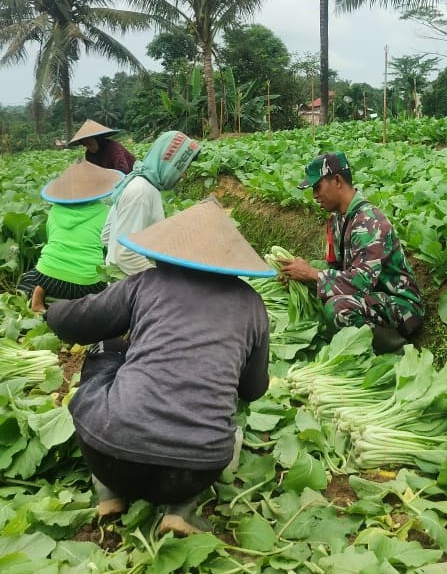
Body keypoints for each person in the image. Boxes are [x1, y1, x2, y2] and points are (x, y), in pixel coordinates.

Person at [44, 198, 274, 535]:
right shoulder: (252, 304)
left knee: (105, 349)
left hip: (111, 458)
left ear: (172, 249)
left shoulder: (147, 283)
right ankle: (180, 511)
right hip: (195, 470)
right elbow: (253, 390)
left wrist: (53, 311)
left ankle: (108, 494)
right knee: (219, 419)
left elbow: (79, 322)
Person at [277, 152, 425, 354]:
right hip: (372, 298)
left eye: (317, 187)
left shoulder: (370, 222)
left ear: (337, 180)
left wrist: (312, 274)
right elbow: (336, 268)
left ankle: (397, 351)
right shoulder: (339, 219)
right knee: (319, 285)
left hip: (400, 305)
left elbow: (361, 281)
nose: (314, 195)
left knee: (338, 308)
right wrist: (299, 273)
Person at [17, 161, 123, 312]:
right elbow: (108, 244)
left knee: (28, 278)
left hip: (47, 277)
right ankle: (80, 305)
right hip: (88, 283)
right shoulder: (105, 212)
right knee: (107, 289)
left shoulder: (54, 211)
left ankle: (40, 295)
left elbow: (51, 238)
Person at [102, 130, 200, 276]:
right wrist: (161, 282)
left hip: (121, 287)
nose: (184, 175)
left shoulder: (133, 181)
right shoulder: (142, 192)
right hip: (133, 290)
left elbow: (106, 236)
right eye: (181, 168)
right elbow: (126, 256)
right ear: (169, 163)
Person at [68, 119, 136, 174]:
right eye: (85, 145)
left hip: (129, 177)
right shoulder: (89, 155)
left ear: (98, 139)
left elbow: (123, 170)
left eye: (90, 143)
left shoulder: (113, 148)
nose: (88, 147)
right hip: (107, 179)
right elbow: (94, 173)